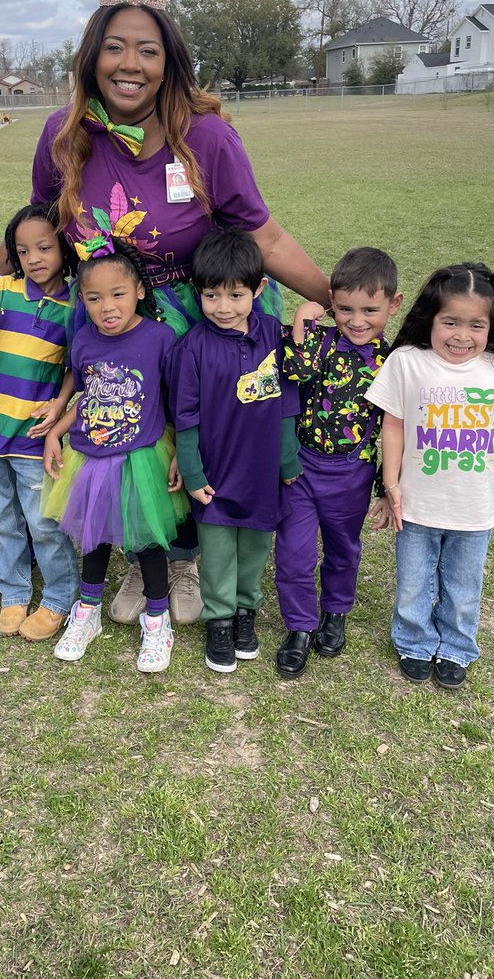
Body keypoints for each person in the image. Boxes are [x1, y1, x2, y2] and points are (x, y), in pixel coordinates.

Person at [0, 0, 330, 627]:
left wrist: (335, 300)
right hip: (109, 312)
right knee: (122, 436)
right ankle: (142, 554)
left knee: (189, 438)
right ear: (92, 58)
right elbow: (42, 224)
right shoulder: (63, 135)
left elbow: (265, 234)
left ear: (168, 63)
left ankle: (185, 562)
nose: (130, 64)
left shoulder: (205, 138)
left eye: (147, 50)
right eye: (115, 48)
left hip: (196, 318)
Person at [366, 262, 494, 689]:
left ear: (490, 326)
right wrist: (391, 488)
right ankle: (414, 641)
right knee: (412, 581)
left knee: (464, 586)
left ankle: (458, 647)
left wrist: (476, 431)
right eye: (450, 322)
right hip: (417, 501)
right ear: (432, 319)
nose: (462, 336)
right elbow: (393, 425)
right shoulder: (407, 362)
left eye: (475, 325)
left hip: (473, 506)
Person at [42, 236, 187, 673]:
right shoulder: (84, 341)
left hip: (141, 457)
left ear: (140, 291)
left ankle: (158, 619)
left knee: (147, 541)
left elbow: (177, 400)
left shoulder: (160, 338)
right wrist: (54, 432)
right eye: (94, 298)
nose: (108, 306)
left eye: (118, 294)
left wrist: (182, 450)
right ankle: (86, 614)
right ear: (82, 300)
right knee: (94, 537)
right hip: (91, 458)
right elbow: (84, 396)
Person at [169, 229, 301, 674]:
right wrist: (193, 473)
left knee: (255, 548)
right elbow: (185, 417)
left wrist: (287, 461)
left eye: (236, 295)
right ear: (197, 293)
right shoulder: (192, 348)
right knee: (220, 550)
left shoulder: (272, 335)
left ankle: (246, 612)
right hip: (216, 476)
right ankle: (220, 619)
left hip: (262, 472)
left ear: (258, 290)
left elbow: (286, 403)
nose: (223, 307)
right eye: (211, 296)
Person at [273, 247, 403, 679]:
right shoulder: (321, 342)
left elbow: (394, 429)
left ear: (393, 304)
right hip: (303, 472)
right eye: (345, 309)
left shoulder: (394, 362)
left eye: (370, 309)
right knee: (293, 555)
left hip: (353, 472)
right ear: (332, 301)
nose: (357, 320)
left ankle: (335, 612)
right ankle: (299, 627)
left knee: (343, 551)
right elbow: (293, 371)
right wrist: (303, 320)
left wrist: (387, 487)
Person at [0, 203, 80, 641]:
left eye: (45, 247)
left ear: (64, 249)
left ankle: (60, 597)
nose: (34, 259)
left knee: (43, 522)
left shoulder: (76, 304)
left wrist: (61, 405)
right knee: (2, 518)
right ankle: (13, 592)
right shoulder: (1, 291)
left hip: (33, 435)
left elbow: (75, 367)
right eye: (23, 251)